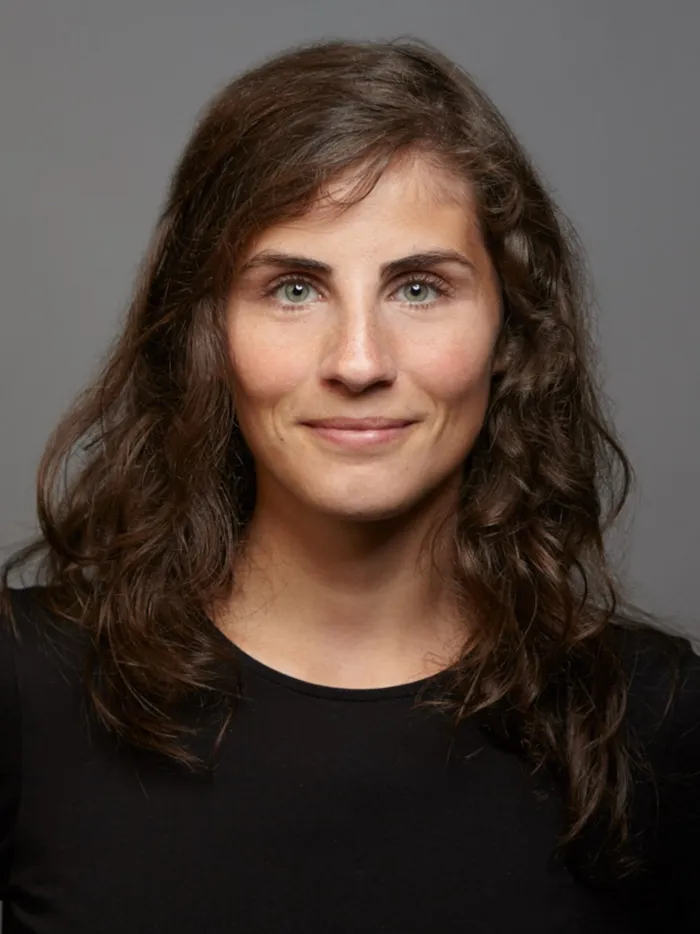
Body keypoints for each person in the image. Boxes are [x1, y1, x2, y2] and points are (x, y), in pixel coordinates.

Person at [0, 35, 698, 934]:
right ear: (204, 332)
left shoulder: (654, 718)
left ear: (511, 332)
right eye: (293, 288)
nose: (359, 362)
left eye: (418, 288)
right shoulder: (28, 690)